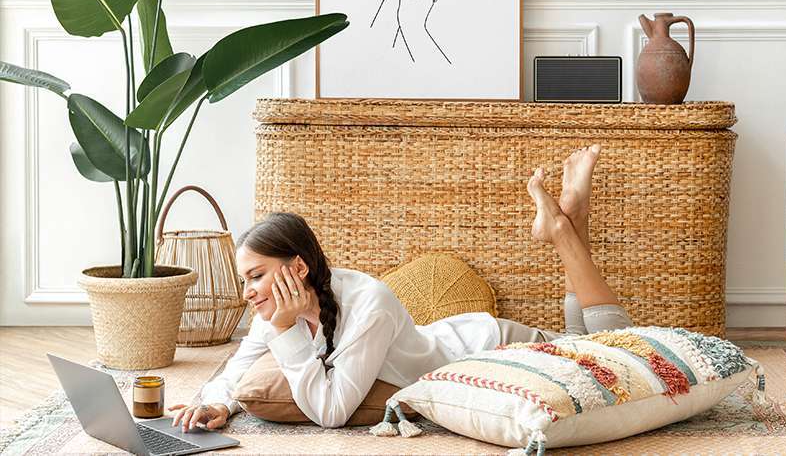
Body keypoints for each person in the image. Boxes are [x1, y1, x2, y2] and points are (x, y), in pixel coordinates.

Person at [169, 144, 633, 430]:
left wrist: (289, 334)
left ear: (298, 268)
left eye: (255, 277)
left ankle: (564, 231)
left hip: (494, 348)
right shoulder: (279, 313)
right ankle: (571, 222)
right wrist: (215, 403)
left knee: (615, 356)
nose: (248, 293)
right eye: (244, 281)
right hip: (463, 341)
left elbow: (330, 412)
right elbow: (238, 367)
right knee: (592, 347)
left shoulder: (367, 302)